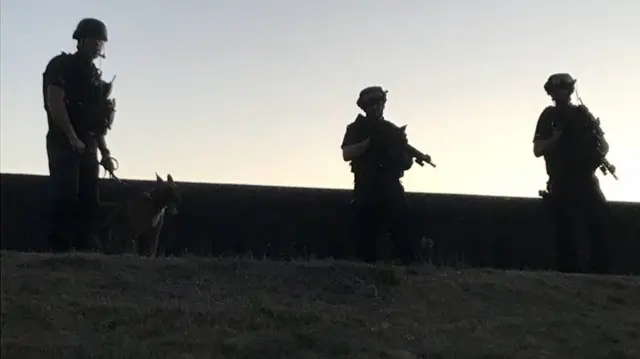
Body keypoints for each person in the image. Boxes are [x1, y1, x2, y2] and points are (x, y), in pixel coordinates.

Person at [43, 18, 116, 252]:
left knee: (89, 199)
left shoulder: (94, 76)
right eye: (94, 39)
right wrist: (72, 137)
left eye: (101, 41)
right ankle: (59, 251)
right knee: (65, 195)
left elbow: (96, 120)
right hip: (63, 139)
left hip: (88, 142)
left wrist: (104, 152)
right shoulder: (62, 65)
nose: (98, 45)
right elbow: (54, 101)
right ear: (81, 40)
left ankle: (85, 252)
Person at [532, 73, 611, 273]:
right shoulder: (549, 115)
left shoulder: (583, 114)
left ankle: (599, 271)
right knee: (564, 231)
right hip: (561, 181)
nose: (562, 92)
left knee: (601, 224)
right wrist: (557, 138)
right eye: (557, 89)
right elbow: (538, 150)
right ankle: (568, 271)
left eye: (565, 88)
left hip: (586, 179)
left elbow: (603, 145)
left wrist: (596, 150)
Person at [340, 86, 416, 264]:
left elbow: (405, 160)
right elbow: (347, 153)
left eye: (379, 103)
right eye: (371, 104)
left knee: (402, 228)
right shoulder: (357, 128)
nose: (376, 108)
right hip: (367, 186)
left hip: (390, 186)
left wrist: (401, 154)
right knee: (367, 234)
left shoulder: (392, 130)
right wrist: (370, 143)